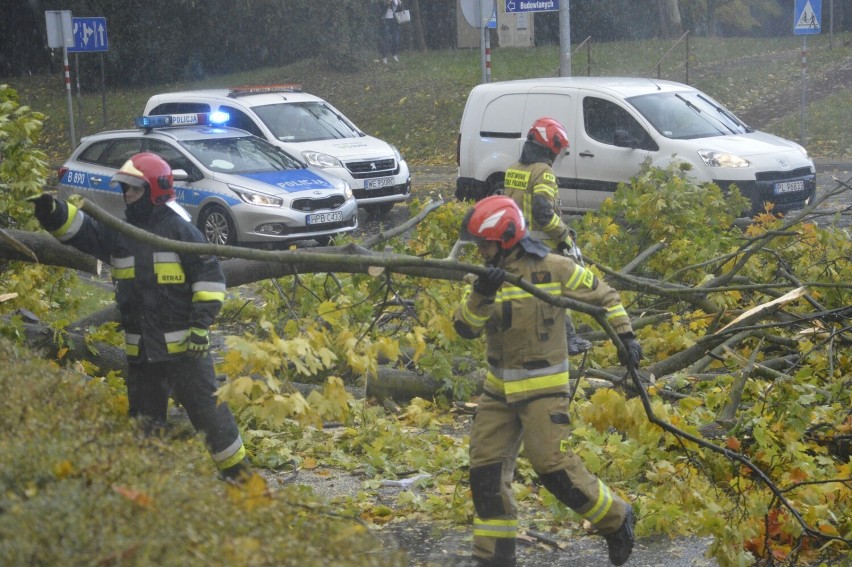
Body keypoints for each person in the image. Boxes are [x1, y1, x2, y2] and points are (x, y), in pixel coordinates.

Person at [28, 152, 251, 482]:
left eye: (133, 189)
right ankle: (150, 489)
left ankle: (242, 480)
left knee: (210, 415)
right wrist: (52, 211)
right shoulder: (122, 234)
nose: (127, 195)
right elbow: (84, 231)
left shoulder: (182, 232)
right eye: (126, 189)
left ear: (154, 189)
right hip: (143, 353)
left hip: (185, 352)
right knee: (145, 424)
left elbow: (210, 281)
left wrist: (200, 327)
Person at [452, 196, 643, 567]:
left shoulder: (554, 268)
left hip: (543, 389)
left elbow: (604, 296)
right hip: (498, 392)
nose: (480, 250)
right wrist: (481, 294)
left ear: (504, 238)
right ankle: (494, 558)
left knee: (552, 467)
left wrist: (627, 336)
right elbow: (465, 329)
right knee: (485, 473)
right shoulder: (481, 279)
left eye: (484, 243)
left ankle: (617, 518)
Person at [502, 117, 592, 356]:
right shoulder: (544, 172)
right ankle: (568, 341)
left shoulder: (514, 169)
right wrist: (563, 236)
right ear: (549, 148)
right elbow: (543, 213)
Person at [378, 0, 401, 64]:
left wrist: (399, 4)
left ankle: (394, 54)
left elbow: (400, 10)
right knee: (386, 39)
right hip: (385, 21)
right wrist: (387, 4)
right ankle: (384, 57)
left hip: (395, 21)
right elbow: (380, 10)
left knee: (396, 39)